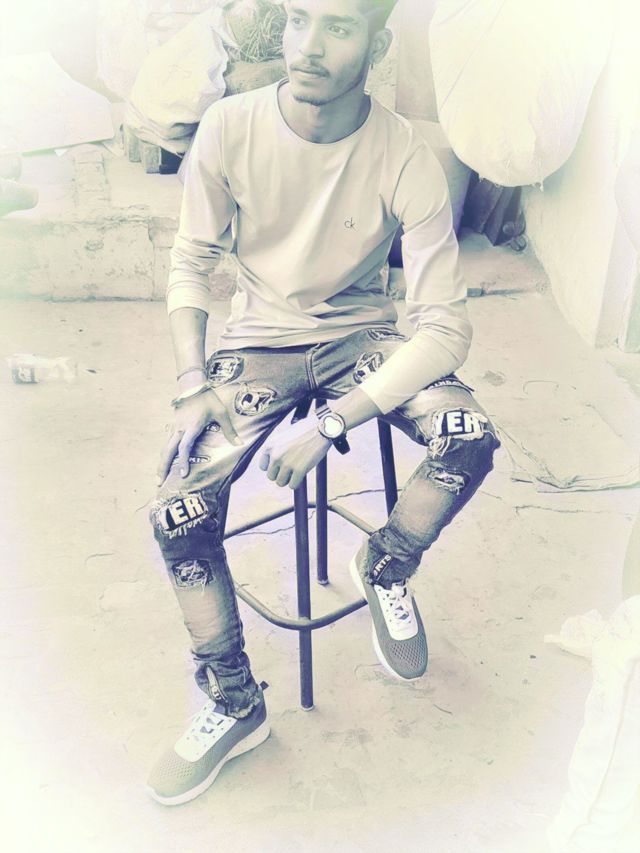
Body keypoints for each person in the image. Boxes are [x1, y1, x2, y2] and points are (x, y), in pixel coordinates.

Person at [147, 0, 499, 806]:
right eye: (299, 19)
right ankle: (235, 702)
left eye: (338, 27)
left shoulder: (405, 153)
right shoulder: (230, 126)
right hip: (257, 346)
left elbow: (445, 325)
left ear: (376, 43)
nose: (307, 45)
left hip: (361, 338)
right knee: (176, 509)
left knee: (467, 433)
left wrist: (337, 419)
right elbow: (191, 260)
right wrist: (192, 381)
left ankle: (385, 563)